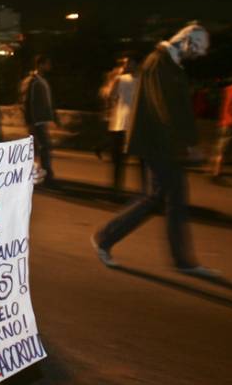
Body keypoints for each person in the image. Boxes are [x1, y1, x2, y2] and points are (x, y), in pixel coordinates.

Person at [91, 23, 220, 278]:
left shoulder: (166, 62)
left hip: (163, 144)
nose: (197, 56)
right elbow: (166, 109)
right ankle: (107, 238)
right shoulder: (159, 63)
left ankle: (180, 260)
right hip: (159, 144)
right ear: (186, 42)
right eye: (196, 50)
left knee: (164, 197)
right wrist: (188, 145)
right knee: (165, 197)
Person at [107, 56, 145, 196]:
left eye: (128, 62)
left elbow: (110, 96)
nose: (126, 65)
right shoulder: (125, 79)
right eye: (124, 63)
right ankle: (120, 188)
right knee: (123, 159)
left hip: (128, 124)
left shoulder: (140, 80)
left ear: (135, 63)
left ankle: (123, 188)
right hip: (124, 123)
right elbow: (111, 96)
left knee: (134, 159)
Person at [20, 55, 57, 186]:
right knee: (44, 147)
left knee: (39, 148)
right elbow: (28, 102)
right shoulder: (33, 81)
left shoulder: (40, 80)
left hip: (41, 120)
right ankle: (46, 175)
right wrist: (31, 122)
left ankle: (38, 174)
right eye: (47, 63)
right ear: (40, 65)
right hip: (37, 121)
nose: (49, 66)